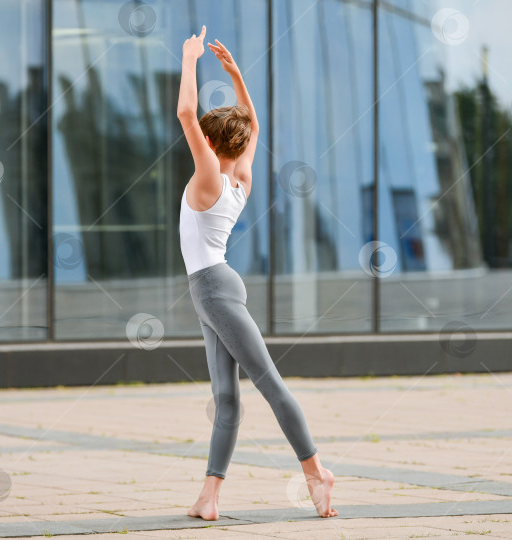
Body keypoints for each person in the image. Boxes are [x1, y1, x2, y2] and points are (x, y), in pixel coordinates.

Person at [177, 26, 338, 521]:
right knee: (227, 399)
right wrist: (236, 76)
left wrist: (190, 59)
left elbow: (185, 112)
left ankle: (315, 470)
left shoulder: (210, 177)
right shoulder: (240, 176)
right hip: (213, 289)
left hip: (214, 289)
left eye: (203, 134)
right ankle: (209, 497)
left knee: (268, 383)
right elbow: (256, 127)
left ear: (209, 142)